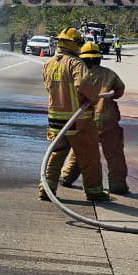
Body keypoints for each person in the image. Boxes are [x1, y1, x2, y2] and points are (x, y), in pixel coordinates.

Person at [39, 28, 107, 203]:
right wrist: (93, 98)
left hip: (55, 121)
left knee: (55, 156)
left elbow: (49, 88)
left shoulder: (48, 64)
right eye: (78, 43)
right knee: (89, 157)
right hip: (79, 121)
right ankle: (94, 192)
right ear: (73, 44)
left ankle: (46, 189)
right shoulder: (76, 64)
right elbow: (83, 85)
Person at [61, 42, 129, 195]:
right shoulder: (109, 74)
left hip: (84, 119)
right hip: (107, 120)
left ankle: (66, 176)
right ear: (98, 58)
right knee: (114, 153)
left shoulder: (79, 74)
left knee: (81, 151)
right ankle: (117, 184)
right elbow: (119, 90)